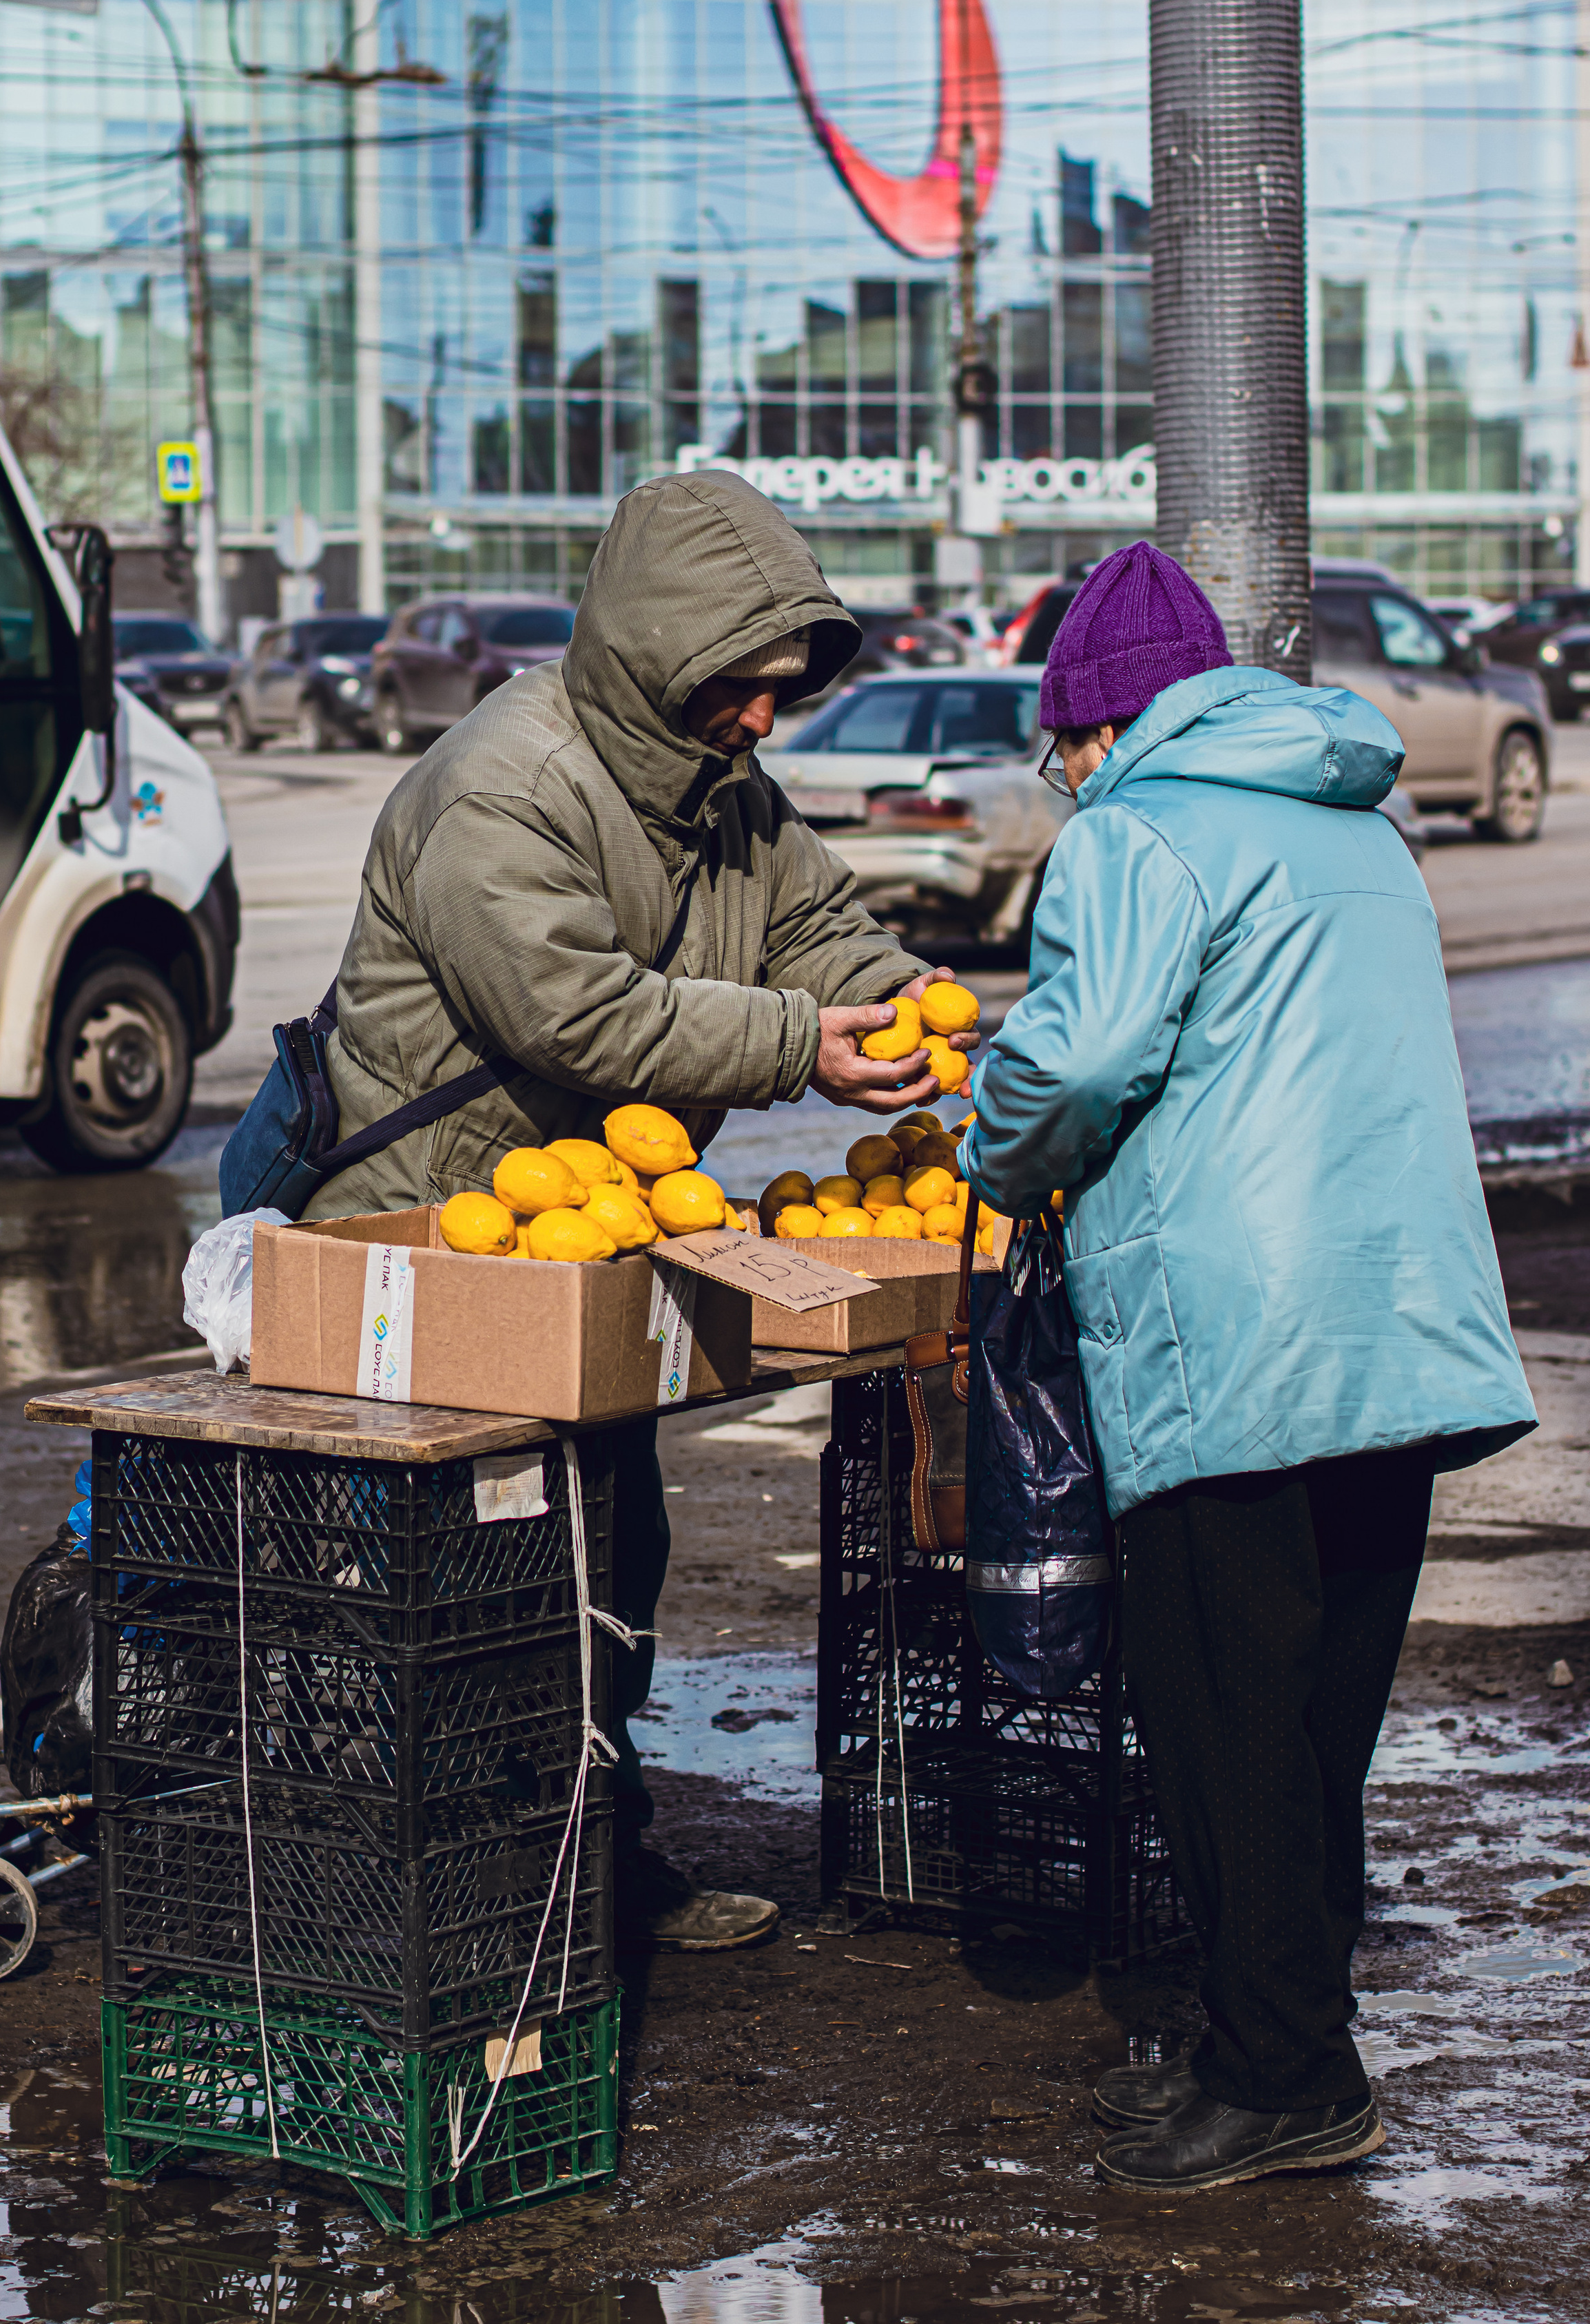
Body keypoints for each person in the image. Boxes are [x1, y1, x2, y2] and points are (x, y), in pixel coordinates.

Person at [311, 468, 977, 1947]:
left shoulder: (723, 787)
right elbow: (575, 1017)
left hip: (593, 1233)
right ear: (649, 659)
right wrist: (795, 1047)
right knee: (467, 1568)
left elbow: (814, 922)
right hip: (437, 1226)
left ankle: (592, 1850)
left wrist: (900, 1010)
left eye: (778, 691)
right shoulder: (504, 783)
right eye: (734, 688)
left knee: (612, 1542)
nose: (759, 718)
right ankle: (459, 1884)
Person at [961, 540, 1533, 2194]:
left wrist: (993, 1157)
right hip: (1395, 1335)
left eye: (1055, 742)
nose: (1059, 773)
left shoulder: (1133, 830)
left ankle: (1286, 2075)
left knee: (1220, 1730)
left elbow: (1070, 1066)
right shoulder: (1362, 823)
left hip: (1235, 1351)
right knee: (1312, 1728)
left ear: (1090, 724)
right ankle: (1262, 2037)